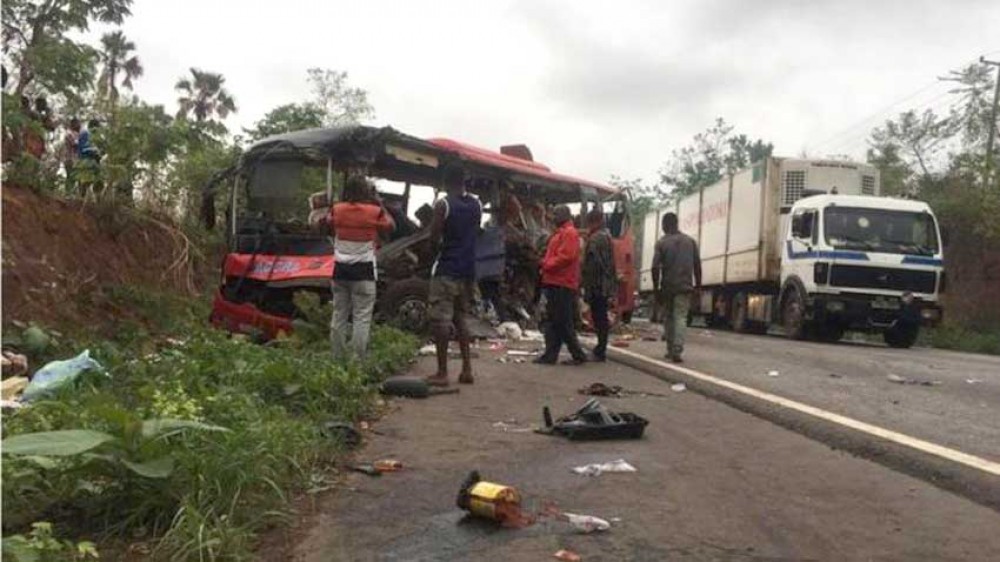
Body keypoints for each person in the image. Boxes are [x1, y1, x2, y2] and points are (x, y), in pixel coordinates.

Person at [425, 166, 482, 387]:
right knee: (460, 319)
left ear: (446, 183)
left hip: (447, 268)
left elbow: (433, 237)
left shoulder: (443, 204)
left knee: (441, 320)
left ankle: (442, 373)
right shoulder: (476, 205)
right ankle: (467, 370)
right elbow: (474, 232)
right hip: (467, 269)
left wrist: (430, 255)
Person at [328, 175, 395, 360]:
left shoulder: (337, 210)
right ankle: (357, 361)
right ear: (366, 191)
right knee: (362, 318)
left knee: (338, 315)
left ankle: (337, 358)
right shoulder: (374, 212)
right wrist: (378, 202)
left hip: (340, 271)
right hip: (364, 273)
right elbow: (391, 225)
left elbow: (325, 223)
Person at [535, 204, 588, 366]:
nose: (553, 217)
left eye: (556, 214)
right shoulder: (561, 233)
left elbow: (566, 257)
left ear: (565, 215)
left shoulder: (569, 233)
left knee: (562, 322)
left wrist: (545, 264)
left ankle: (577, 355)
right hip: (556, 282)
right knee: (554, 321)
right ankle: (551, 355)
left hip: (562, 283)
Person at [651, 212, 702, 363]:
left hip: (668, 286)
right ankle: (677, 349)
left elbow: (655, 267)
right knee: (681, 317)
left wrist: (656, 288)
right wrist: (698, 286)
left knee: (669, 317)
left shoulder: (662, 243)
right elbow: (697, 266)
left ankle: (670, 348)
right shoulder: (690, 242)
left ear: (665, 225)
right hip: (685, 286)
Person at [581, 208, 618, 362]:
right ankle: (600, 347)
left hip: (597, 284)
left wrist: (586, 282)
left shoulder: (596, 239)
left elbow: (593, 263)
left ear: (592, 222)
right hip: (604, 283)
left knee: (599, 317)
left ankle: (600, 349)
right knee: (600, 316)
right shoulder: (606, 237)